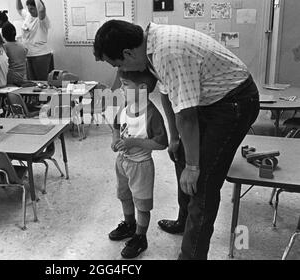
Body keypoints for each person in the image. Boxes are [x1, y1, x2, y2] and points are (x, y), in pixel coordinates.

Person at [93, 20, 260, 260]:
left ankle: (191, 256)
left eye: (118, 64)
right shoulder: (148, 48)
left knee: (203, 182)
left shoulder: (167, 52)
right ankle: (184, 220)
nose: (122, 74)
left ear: (128, 53)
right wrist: (174, 139)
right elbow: (168, 95)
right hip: (209, 99)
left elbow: (188, 117)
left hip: (234, 102)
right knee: (181, 152)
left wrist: (193, 167)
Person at [110, 68, 167, 259]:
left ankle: (140, 237)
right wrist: (115, 139)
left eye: (125, 84)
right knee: (124, 196)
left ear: (142, 88)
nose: (121, 88)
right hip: (122, 162)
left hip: (141, 166)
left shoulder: (152, 114)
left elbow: (161, 142)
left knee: (142, 205)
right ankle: (129, 225)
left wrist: (133, 142)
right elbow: (116, 126)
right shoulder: (125, 106)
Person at [16, 0, 53, 81]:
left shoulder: (42, 19)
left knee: (42, 81)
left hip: (41, 55)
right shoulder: (28, 16)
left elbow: (41, 10)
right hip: (29, 55)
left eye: (32, 9)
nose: (30, 11)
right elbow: (19, 9)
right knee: (32, 82)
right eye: (28, 9)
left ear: (37, 7)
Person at [2, 22, 28, 86]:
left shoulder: (4, 47)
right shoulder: (22, 46)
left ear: (3, 35)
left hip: (11, 79)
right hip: (23, 78)